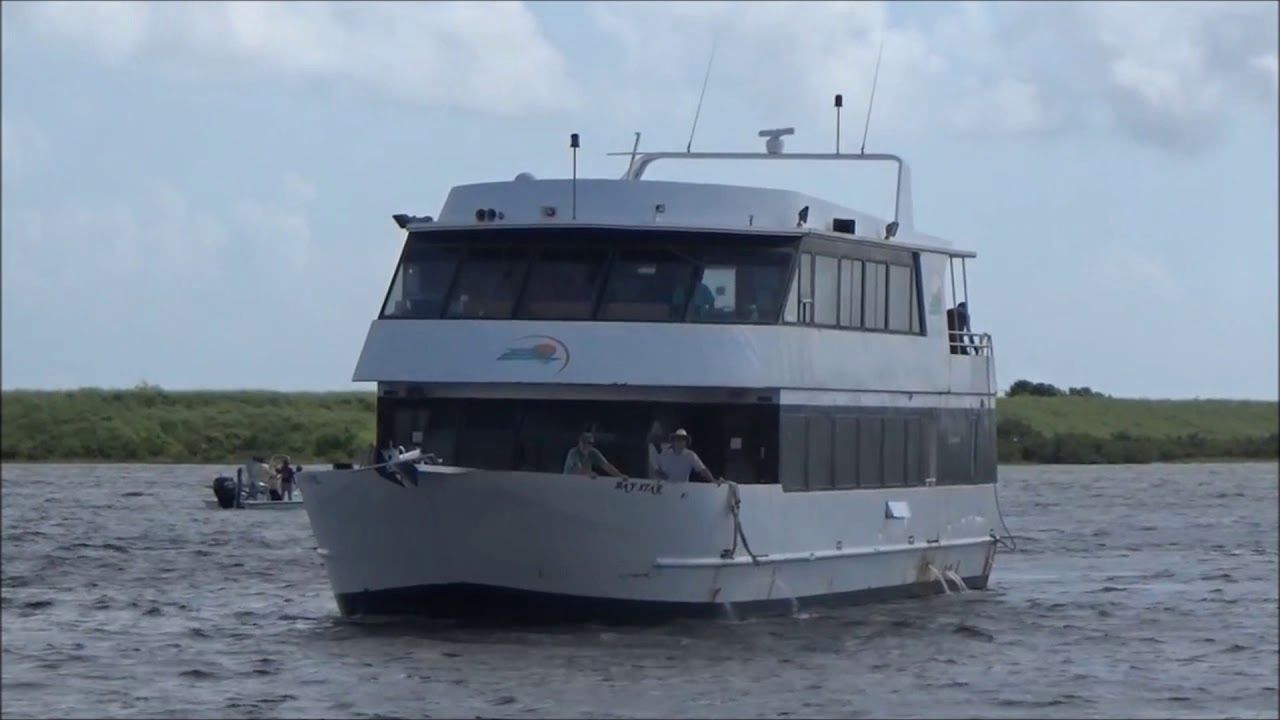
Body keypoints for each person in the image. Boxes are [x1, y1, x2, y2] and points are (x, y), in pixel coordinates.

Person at [653, 429, 718, 484]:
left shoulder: (690, 455)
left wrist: (713, 481)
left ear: (686, 443)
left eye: (682, 440)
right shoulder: (664, 454)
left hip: (683, 488)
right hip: (665, 488)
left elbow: (703, 470)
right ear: (673, 441)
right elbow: (656, 471)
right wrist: (662, 476)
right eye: (677, 439)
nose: (679, 442)